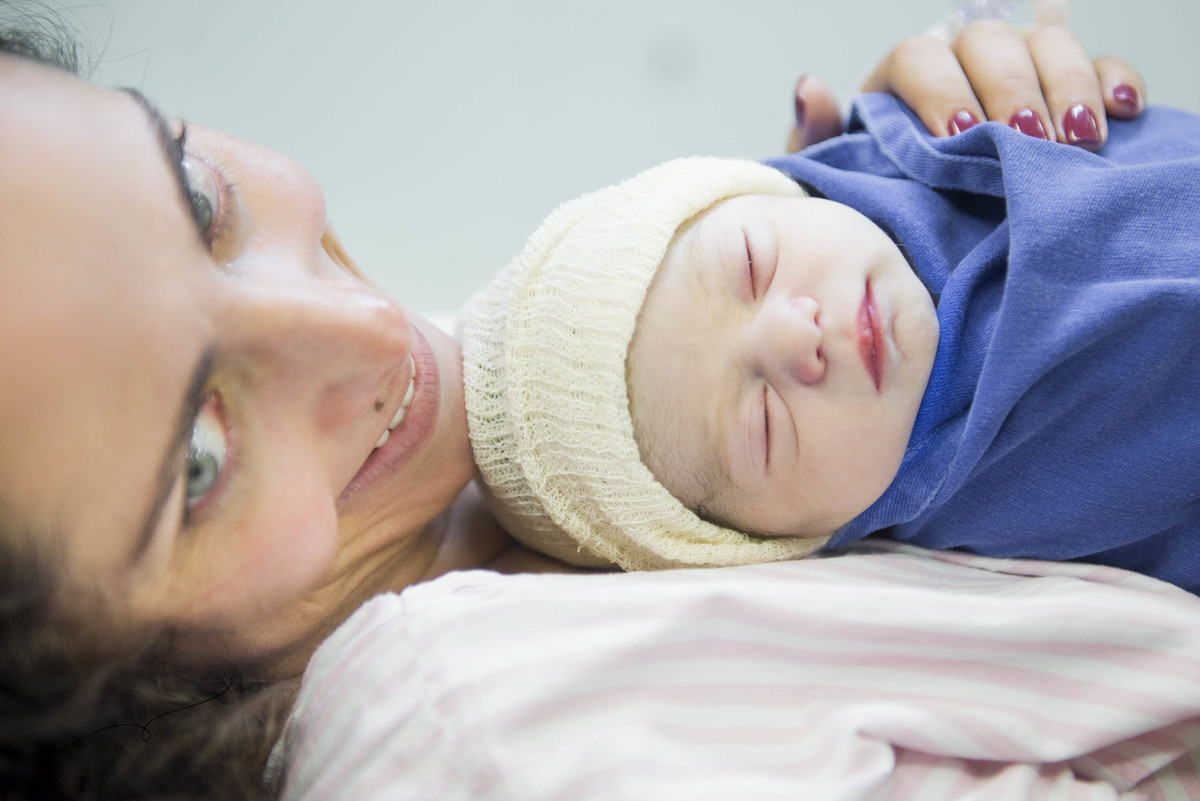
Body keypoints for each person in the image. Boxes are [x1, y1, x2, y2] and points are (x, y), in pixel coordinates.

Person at [0, 2, 1151, 797]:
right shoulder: (466, 737)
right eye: (199, 462)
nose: (366, 329)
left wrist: (969, 243)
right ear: (93, 712)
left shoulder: (504, 430)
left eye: (200, 199)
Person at [460, 66, 1199, 586]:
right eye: (762, 427)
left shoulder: (915, 137)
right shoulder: (993, 525)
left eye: (751, 265)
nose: (794, 336)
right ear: (769, 543)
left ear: (770, 188)